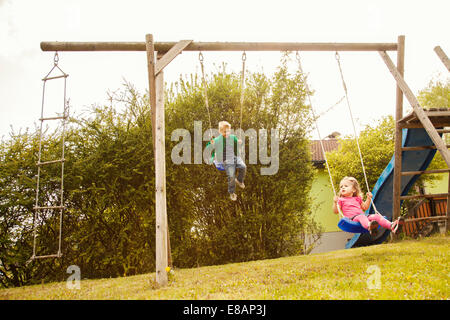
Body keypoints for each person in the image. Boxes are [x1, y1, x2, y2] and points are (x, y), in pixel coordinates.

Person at [332, 176, 404, 236]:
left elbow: (365, 207)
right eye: (341, 187)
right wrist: (335, 203)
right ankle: (370, 226)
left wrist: (369, 198)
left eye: (346, 186)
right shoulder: (341, 200)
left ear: (353, 189)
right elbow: (335, 211)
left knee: (376, 216)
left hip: (363, 216)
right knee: (361, 216)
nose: (343, 188)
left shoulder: (357, 199)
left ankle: (392, 226)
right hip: (352, 219)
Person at [207, 121, 246, 201]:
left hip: (235, 156)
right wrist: (211, 144)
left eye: (228, 131)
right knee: (231, 176)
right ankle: (232, 193)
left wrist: (240, 143)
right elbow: (209, 148)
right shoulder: (217, 140)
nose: (227, 133)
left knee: (243, 166)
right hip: (225, 159)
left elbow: (238, 145)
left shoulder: (233, 137)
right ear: (220, 132)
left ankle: (239, 180)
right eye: (225, 132)